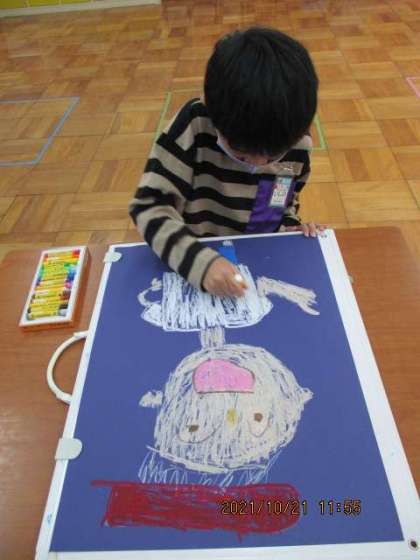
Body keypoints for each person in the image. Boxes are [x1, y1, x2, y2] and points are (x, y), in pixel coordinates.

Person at [129, 27, 324, 298]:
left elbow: (279, 198)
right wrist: (200, 263)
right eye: (242, 153)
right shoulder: (193, 126)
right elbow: (148, 207)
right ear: (213, 112)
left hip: (259, 262)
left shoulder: (294, 142)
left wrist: (289, 226)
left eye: (273, 155)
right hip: (191, 256)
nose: (260, 163)